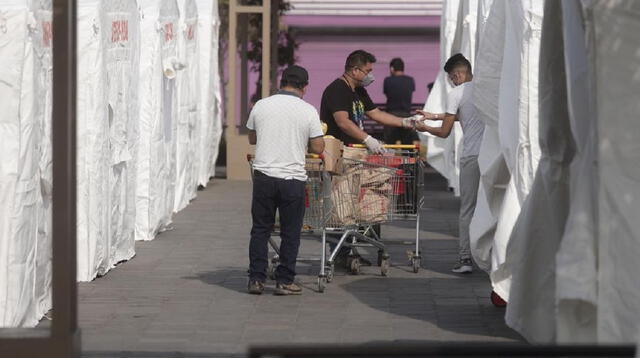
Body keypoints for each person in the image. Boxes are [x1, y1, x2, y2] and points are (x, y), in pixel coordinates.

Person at [246, 65, 325, 295]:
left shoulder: (261, 105)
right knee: (291, 232)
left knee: (260, 229)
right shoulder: (308, 110)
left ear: (281, 83)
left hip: (264, 177)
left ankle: (256, 279)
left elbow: (252, 137)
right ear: (305, 87)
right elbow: (318, 145)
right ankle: (284, 280)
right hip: (292, 179)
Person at [416, 53, 484, 274]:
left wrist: (425, 128)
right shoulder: (486, 88)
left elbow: (445, 133)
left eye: (451, 79)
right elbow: (466, 113)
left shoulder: (456, 93)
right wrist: (434, 116)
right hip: (492, 155)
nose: (452, 83)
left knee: (467, 210)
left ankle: (465, 259)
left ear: (458, 74)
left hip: (471, 157)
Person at [320, 50, 422, 152]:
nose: (370, 76)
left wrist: (404, 122)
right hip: (338, 151)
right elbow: (343, 122)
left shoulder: (359, 90)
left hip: (354, 150)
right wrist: (368, 139)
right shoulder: (338, 89)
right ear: (355, 70)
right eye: (368, 71)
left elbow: (376, 114)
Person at [383, 57, 418, 145]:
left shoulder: (388, 80)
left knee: (389, 145)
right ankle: (408, 158)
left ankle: (389, 158)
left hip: (391, 116)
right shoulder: (410, 80)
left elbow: (387, 93)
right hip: (406, 115)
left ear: (392, 68)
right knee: (407, 145)